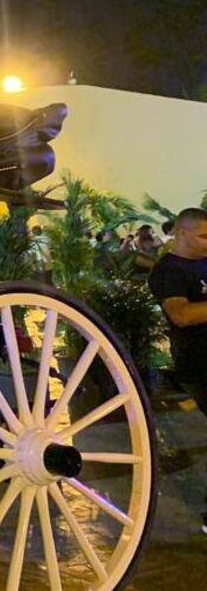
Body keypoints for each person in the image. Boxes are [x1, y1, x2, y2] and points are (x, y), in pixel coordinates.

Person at [147, 207, 207, 535]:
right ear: (181, 233)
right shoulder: (168, 271)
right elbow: (180, 315)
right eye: (203, 236)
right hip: (199, 364)